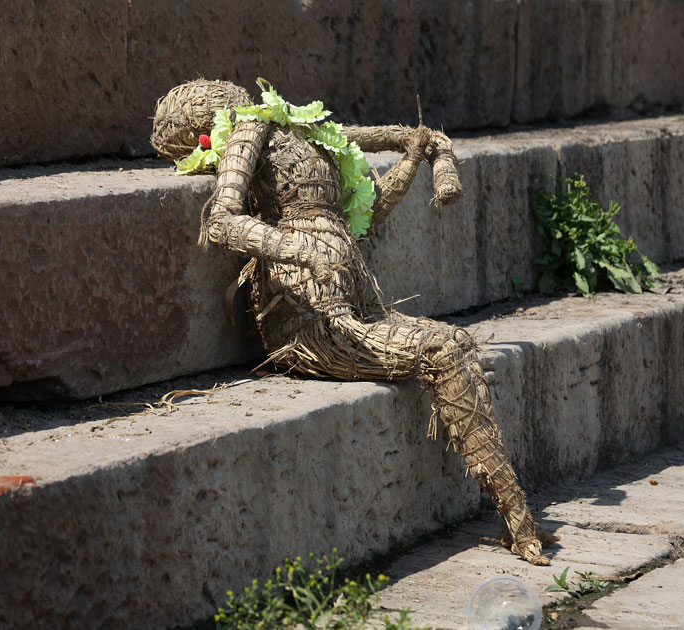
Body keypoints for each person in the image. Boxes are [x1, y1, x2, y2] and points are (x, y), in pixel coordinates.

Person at [151, 79, 556, 565]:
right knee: (443, 351)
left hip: (354, 294)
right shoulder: (250, 129)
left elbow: (360, 203)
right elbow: (221, 220)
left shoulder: (298, 130)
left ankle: (517, 516)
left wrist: (414, 153)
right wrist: (299, 250)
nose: (230, 92)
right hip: (308, 310)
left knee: (457, 340)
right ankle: (519, 522)